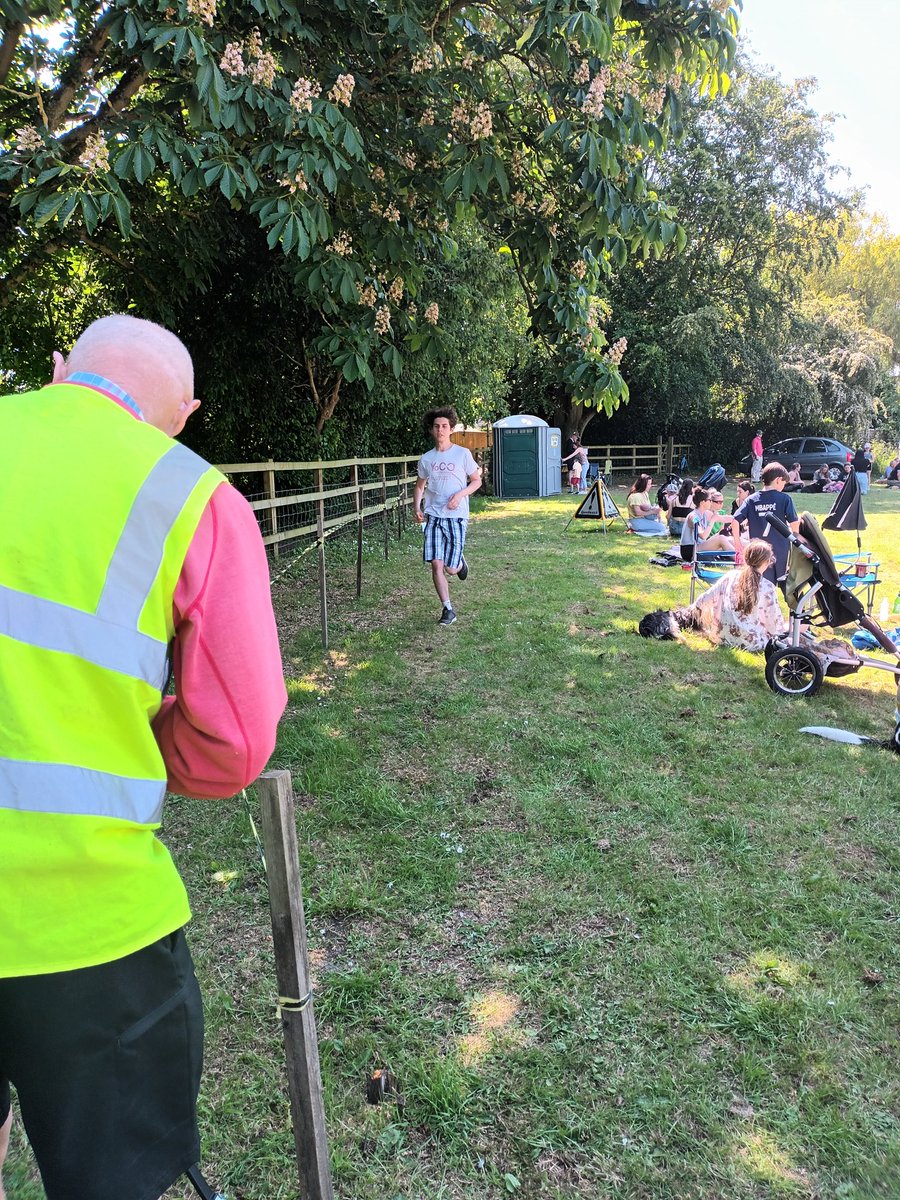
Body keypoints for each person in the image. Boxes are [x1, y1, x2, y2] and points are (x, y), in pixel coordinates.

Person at [0, 315, 287, 1200]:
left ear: (58, 370)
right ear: (186, 413)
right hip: (89, 933)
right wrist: (140, 737)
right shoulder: (194, 498)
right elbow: (235, 742)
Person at [413, 406, 482, 626]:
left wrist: (460, 495)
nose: (441, 430)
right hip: (433, 516)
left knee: (450, 569)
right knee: (436, 564)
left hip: (456, 516)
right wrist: (416, 507)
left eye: (444, 426)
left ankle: (460, 565)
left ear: (451, 429)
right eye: (437, 426)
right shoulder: (426, 459)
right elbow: (419, 486)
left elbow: (476, 480)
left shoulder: (462, 454)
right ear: (432, 430)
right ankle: (447, 609)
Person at [687, 539, 787, 651]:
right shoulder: (767, 587)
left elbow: (704, 600)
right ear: (768, 562)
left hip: (720, 636)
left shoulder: (730, 576)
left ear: (745, 558)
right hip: (751, 642)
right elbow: (773, 624)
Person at [728, 462, 800, 586]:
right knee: (785, 584)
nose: (783, 486)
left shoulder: (752, 499)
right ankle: (792, 605)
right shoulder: (784, 499)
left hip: (758, 550)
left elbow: (735, 521)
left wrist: (737, 542)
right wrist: (796, 539)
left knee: (759, 584)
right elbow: (794, 523)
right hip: (780, 549)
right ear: (778, 480)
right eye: (783, 483)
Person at [679, 486, 734, 562]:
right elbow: (703, 536)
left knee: (728, 538)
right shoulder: (693, 516)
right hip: (690, 550)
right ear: (702, 502)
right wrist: (712, 521)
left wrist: (740, 518)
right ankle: (741, 561)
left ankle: (747, 558)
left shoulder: (705, 513)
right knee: (721, 539)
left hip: (699, 546)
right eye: (709, 500)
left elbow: (723, 518)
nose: (711, 502)